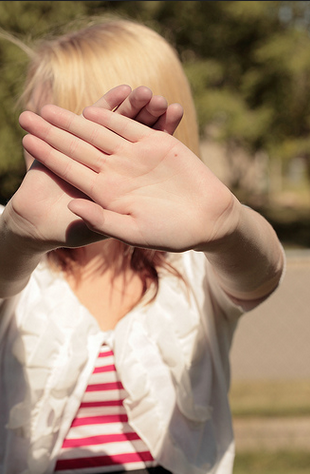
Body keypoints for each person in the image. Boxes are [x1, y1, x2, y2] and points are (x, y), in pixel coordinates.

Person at [0, 18, 284, 474]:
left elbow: (260, 272)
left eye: (57, 121)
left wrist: (230, 224)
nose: (34, 148)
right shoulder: (14, 246)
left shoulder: (194, 267)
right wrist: (16, 232)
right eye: (36, 127)